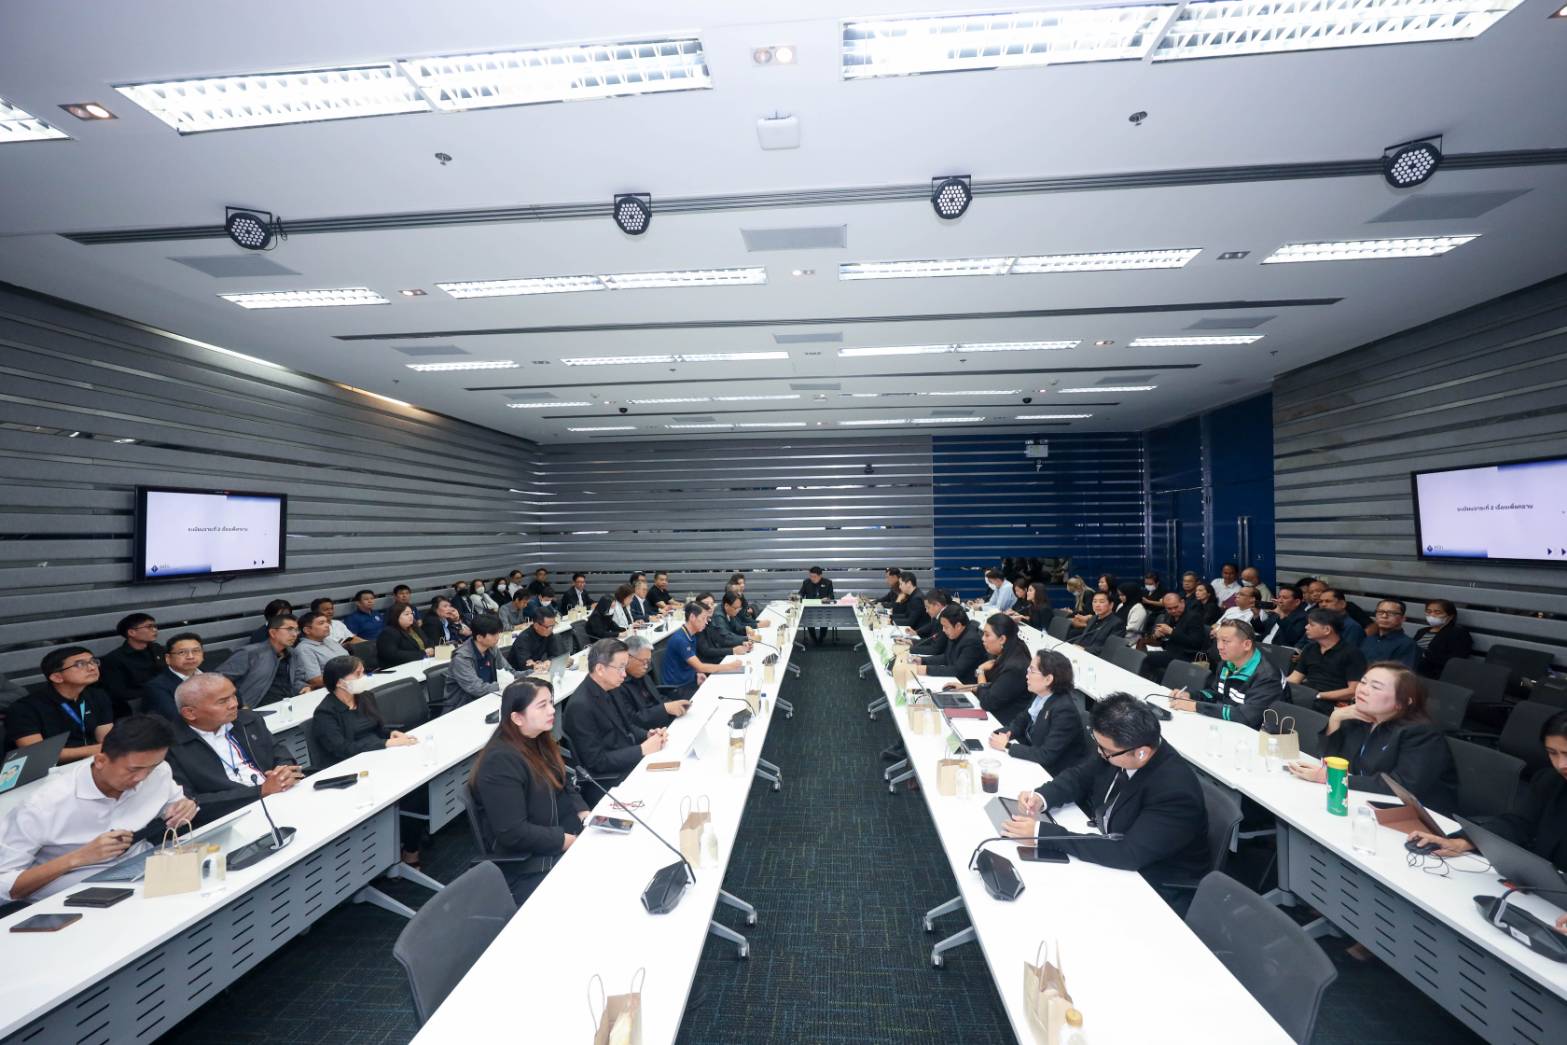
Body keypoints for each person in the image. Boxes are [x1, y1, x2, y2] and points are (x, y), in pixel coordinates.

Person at [1000, 694, 1210, 885]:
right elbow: (1079, 777)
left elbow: (1129, 853)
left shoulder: (1175, 791)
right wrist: (1041, 797)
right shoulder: (1122, 748)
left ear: (1142, 753)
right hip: (1107, 842)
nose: (1100, 753)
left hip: (1152, 882)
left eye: (1106, 750)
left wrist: (1045, 834)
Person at [0, 715, 197, 903]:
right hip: (73, 889)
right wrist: (78, 858)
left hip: (142, 869)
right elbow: (6, 885)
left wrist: (182, 808)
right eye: (133, 770)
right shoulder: (43, 805)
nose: (142, 777)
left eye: (152, 767)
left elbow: (173, 804)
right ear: (100, 761)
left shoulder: (159, 771)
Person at [1407, 710, 1567, 925]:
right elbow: (1518, 824)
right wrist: (1463, 841)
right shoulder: (1551, 781)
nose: (1561, 764)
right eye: (1552, 753)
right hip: (1543, 895)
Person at [468, 679, 591, 904]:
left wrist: (585, 814)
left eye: (551, 703)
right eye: (542, 705)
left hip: (562, 835)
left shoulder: (538, 739)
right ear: (517, 718)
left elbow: (562, 783)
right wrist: (566, 841)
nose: (552, 710)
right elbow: (513, 832)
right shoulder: (499, 762)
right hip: (532, 862)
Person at [1287, 663, 1459, 813]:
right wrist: (1335, 719)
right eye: (1363, 682)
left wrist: (1332, 778)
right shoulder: (1358, 717)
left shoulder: (1421, 734)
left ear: (1403, 702)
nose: (1363, 689)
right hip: (1360, 801)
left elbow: (1401, 787)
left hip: (1413, 817)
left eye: (1376, 687)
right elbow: (1329, 761)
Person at [310, 656, 423, 865]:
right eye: (358, 674)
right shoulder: (326, 712)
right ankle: (409, 851)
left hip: (378, 757)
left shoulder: (365, 697)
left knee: (418, 781)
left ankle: (409, 841)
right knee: (410, 793)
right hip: (352, 768)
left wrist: (390, 734)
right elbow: (342, 749)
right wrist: (385, 744)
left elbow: (378, 728)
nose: (364, 677)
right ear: (340, 682)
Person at [164, 674, 302, 827]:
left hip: (280, 795)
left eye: (233, 696)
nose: (234, 704)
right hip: (232, 817)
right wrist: (260, 791)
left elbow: (278, 751)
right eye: (223, 701)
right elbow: (190, 802)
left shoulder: (248, 719)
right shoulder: (169, 747)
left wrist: (284, 772)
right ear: (190, 713)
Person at [562, 640, 666, 801]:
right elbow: (597, 762)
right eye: (620, 668)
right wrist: (642, 749)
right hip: (611, 779)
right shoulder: (580, 707)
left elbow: (627, 726)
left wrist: (647, 735)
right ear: (600, 669)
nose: (624, 674)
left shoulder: (612, 686)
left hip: (627, 760)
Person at [8, 647, 115, 763]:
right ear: (57, 677)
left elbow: (105, 738)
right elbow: (37, 754)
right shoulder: (24, 708)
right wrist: (96, 749)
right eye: (80, 664)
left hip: (91, 761)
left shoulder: (97, 695)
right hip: (50, 769)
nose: (92, 667)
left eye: (93, 661)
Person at [1170, 620, 1287, 727]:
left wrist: (1195, 706)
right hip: (1229, 725)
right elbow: (1216, 694)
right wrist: (1190, 695)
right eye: (1217, 640)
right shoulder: (1227, 663)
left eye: (1225, 641)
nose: (1219, 647)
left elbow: (1246, 717)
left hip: (1258, 735)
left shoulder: (1268, 677)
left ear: (1247, 645)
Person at [989, 649, 1086, 775]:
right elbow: (1020, 723)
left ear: (1048, 679)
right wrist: (999, 734)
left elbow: (1046, 755)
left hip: (1052, 773)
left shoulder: (1065, 711)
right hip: (1033, 760)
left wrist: (1007, 746)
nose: (1027, 675)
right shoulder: (1041, 694)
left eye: (1032, 671)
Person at [948, 614, 1033, 725]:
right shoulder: (1009, 651)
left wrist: (980, 671)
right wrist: (967, 687)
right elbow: (993, 687)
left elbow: (987, 702)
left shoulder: (1015, 667)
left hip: (1001, 723)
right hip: (995, 713)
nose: (983, 638)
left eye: (987, 635)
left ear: (1002, 639)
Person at [1287, 609, 1367, 710]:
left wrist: (1317, 695)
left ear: (1327, 630)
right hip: (1306, 697)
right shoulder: (1310, 648)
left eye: (1311, 624)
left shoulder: (1352, 653)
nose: (1306, 627)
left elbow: (1353, 690)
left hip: (1333, 703)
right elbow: (1295, 678)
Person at [218, 615, 304, 707]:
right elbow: (219, 680)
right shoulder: (250, 653)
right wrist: (239, 704)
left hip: (288, 703)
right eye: (289, 629)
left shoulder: (292, 653)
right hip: (256, 707)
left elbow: (297, 678)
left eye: (296, 630)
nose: (294, 634)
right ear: (273, 633)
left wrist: (302, 687)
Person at [662, 601, 742, 699]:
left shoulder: (691, 635)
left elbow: (692, 663)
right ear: (692, 617)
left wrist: (697, 674)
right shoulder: (680, 639)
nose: (706, 622)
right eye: (703, 618)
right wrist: (730, 666)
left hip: (689, 682)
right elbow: (700, 667)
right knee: (718, 695)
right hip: (678, 689)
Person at [616, 633, 690, 730]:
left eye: (648, 661)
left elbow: (657, 697)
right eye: (643, 661)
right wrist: (665, 709)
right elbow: (633, 720)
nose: (646, 666)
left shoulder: (643, 675)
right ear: (628, 658)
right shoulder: (617, 684)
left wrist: (674, 704)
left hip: (663, 721)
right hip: (650, 731)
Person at [98, 612, 165, 718]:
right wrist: (153, 691)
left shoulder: (157, 649)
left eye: (155, 626)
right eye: (149, 627)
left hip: (163, 696)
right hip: (137, 706)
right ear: (131, 632)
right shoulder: (114, 659)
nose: (155, 630)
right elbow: (118, 692)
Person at [1142, 593, 1212, 681]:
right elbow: (1165, 638)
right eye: (1169, 609)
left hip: (1186, 654)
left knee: (1145, 657)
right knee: (1141, 653)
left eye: (1176, 607)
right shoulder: (1169, 616)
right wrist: (1157, 635)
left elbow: (1195, 643)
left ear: (1182, 602)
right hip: (1169, 650)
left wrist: (1172, 632)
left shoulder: (1194, 617)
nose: (1173, 611)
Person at [444, 615, 508, 709]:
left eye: (498, 633)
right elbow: (477, 688)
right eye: (493, 634)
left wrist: (529, 674)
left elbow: (508, 671)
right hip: (462, 707)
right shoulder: (461, 658)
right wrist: (505, 684)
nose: (497, 637)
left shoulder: (492, 649)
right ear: (479, 637)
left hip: (489, 699)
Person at [913, 606, 986, 684]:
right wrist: (922, 660)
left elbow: (957, 670)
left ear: (958, 626)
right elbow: (947, 657)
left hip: (964, 685)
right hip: (953, 680)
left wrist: (926, 669)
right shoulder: (955, 634)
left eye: (946, 627)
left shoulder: (972, 641)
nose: (943, 630)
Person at [143, 631, 205, 722]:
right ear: (168, 658)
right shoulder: (156, 687)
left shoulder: (214, 677)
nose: (190, 656)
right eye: (182, 652)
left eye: (196, 651)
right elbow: (176, 719)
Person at [1413, 600, 1474, 679]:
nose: (1432, 615)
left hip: (1434, 675)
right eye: (1428, 611)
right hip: (1412, 668)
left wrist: (1425, 654)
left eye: (1437, 612)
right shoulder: (1422, 631)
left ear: (1450, 616)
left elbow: (1456, 661)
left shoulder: (1459, 633)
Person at [291, 611, 350, 691]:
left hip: (349, 681)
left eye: (327, 622)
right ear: (307, 630)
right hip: (331, 689)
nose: (327, 625)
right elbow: (315, 680)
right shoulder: (304, 649)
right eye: (321, 623)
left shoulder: (330, 641)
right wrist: (349, 675)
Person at [1361, 599, 1419, 669]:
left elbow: (1401, 672)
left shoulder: (1407, 644)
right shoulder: (1368, 639)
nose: (1384, 616)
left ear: (1403, 619)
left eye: (1391, 613)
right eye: (1380, 612)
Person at [510, 604, 570, 672]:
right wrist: (538, 665)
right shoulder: (524, 639)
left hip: (537, 671)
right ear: (536, 625)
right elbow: (525, 665)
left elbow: (555, 655)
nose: (551, 629)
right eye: (547, 627)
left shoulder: (548, 634)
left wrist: (548, 662)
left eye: (553, 626)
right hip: (518, 674)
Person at [377, 603, 431, 668]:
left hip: (422, 663)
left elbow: (428, 642)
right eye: (407, 614)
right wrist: (423, 653)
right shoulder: (388, 632)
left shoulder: (415, 628)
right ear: (396, 616)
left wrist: (431, 649)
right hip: (400, 667)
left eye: (411, 613)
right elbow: (392, 655)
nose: (411, 616)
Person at [1261, 584, 1308, 648]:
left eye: (1285, 598)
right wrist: (1256, 615)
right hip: (1262, 647)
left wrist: (1282, 616)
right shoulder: (1276, 613)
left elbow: (1292, 639)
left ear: (1297, 602)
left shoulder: (1302, 618)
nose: (1280, 601)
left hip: (1279, 650)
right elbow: (1261, 629)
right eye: (1279, 597)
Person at [799, 565, 835, 644]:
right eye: (811, 576)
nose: (812, 578)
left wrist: (828, 598)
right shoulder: (806, 582)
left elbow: (831, 596)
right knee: (809, 620)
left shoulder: (828, 582)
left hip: (823, 608)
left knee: (824, 619)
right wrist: (797, 598)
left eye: (814, 577)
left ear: (820, 576)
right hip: (809, 608)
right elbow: (800, 594)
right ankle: (814, 638)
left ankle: (821, 637)